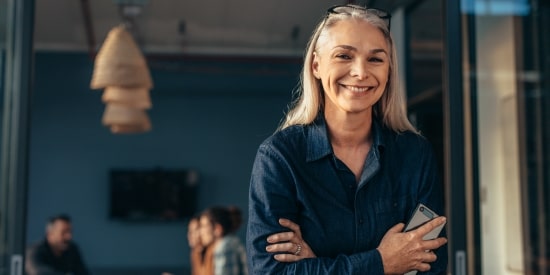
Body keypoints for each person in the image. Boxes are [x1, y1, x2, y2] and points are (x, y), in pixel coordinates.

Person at [246, 4, 448, 274]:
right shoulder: (279, 157)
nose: (361, 72)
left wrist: (315, 264)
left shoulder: (415, 154)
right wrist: (383, 262)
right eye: (344, 56)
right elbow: (269, 271)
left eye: (376, 59)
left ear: (389, 71)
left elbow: (428, 267)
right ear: (316, 65)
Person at [26, 214, 90, 275]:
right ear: (50, 234)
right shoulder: (34, 251)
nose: (69, 236)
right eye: (63, 232)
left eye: (70, 232)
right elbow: (37, 272)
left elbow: (83, 272)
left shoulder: (72, 249)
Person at [199, 206, 248, 275]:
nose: (200, 232)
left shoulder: (225, 247)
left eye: (204, 226)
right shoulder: (231, 242)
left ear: (218, 229)